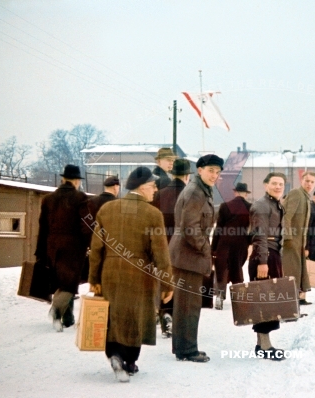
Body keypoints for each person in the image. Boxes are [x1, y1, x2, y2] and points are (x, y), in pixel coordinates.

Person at [87, 166, 173, 382]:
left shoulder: (107, 210)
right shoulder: (153, 214)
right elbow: (161, 254)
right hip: (139, 273)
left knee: (113, 314)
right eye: (153, 186)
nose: (155, 191)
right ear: (142, 188)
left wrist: (94, 279)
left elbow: (96, 248)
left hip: (109, 271)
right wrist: (168, 284)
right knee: (135, 317)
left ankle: (114, 354)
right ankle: (129, 361)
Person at [169, 154, 223, 363]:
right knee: (188, 305)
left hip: (188, 255)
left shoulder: (201, 190)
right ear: (199, 170)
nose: (214, 175)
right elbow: (189, 227)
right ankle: (186, 350)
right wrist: (204, 250)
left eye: (217, 172)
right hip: (188, 255)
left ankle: (184, 347)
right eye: (211, 171)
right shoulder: (195, 192)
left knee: (187, 304)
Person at [35, 164, 90, 332]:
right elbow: (85, 225)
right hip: (73, 247)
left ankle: (68, 318)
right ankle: (56, 311)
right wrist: (90, 243)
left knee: (60, 281)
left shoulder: (48, 199)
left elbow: (42, 227)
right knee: (70, 284)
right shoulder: (80, 198)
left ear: (63, 179)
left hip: (52, 246)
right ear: (74, 181)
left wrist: (40, 251)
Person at [151, 158, 192, 337]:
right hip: (184, 246)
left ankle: (165, 313)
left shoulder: (159, 194)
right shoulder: (191, 194)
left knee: (165, 281)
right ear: (187, 175)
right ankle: (177, 320)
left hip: (162, 244)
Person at [248, 172, 287, 360]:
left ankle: (260, 344)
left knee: (268, 300)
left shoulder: (275, 204)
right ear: (265, 185)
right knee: (265, 301)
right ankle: (265, 346)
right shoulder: (262, 206)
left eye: (281, 184)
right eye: (274, 183)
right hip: (264, 256)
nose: (278, 187)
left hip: (272, 255)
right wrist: (263, 262)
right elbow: (259, 235)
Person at [211, 182, 252, 310]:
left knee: (222, 268)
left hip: (224, 240)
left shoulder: (224, 206)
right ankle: (238, 297)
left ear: (235, 192)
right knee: (237, 268)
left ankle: (219, 296)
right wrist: (249, 242)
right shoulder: (251, 208)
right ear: (245, 194)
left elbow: (218, 228)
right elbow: (253, 229)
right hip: (240, 242)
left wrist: (213, 247)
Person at [282, 171, 315, 306]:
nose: (309, 184)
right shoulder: (296, 193)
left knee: (299, 270)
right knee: (291, 270)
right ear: (301, 180)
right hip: (291, 241)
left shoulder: (306, 196)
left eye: (312, 182)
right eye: (307, 181)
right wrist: (288, 237)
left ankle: (297, 299)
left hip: (299, 241)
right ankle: (290, 302)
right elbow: (286, 216)